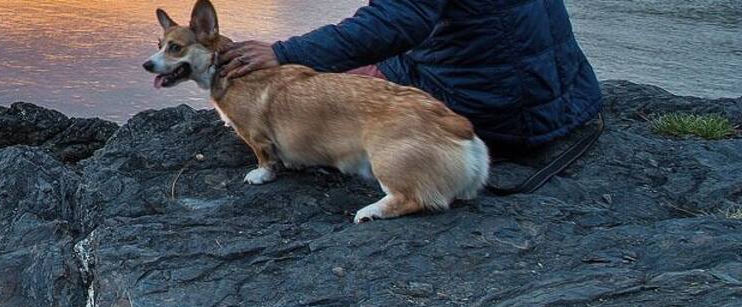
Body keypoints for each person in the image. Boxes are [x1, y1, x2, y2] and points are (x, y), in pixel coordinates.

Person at [216, 0, 602, 155]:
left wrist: (285, 52)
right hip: (560, 96)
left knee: (305, 88)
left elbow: (396, 22)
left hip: (492, 110)